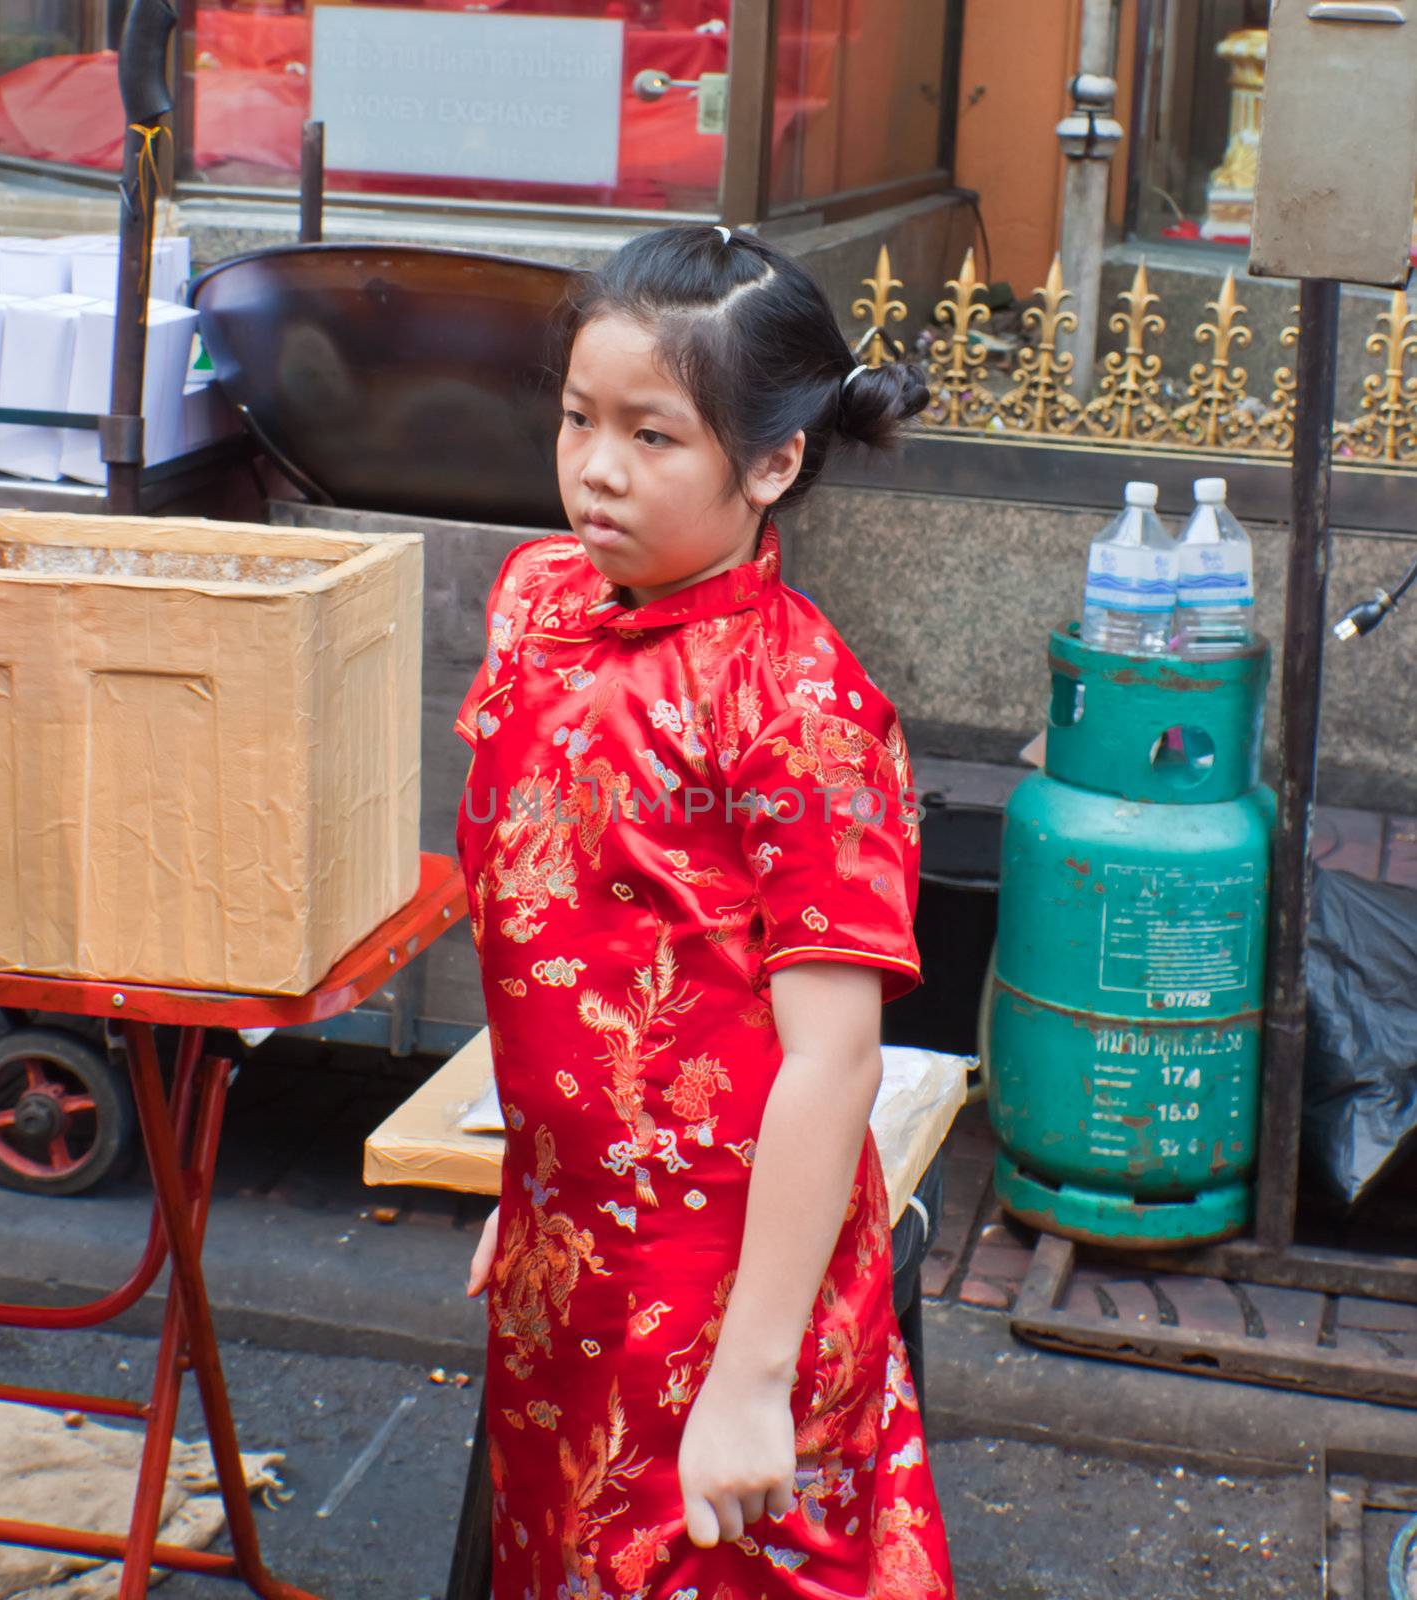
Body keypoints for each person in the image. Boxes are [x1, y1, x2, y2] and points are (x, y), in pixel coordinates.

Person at [454, 223, 954, 1599]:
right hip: (571, 1256)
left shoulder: (799, 709)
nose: (596, 467)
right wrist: (541, 1178)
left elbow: (831, 1055)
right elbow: (561, 941)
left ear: (772, 460)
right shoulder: (538, 601)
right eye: (576, 418)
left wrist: (750, 1378)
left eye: (653, 435)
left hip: (735, 1284)